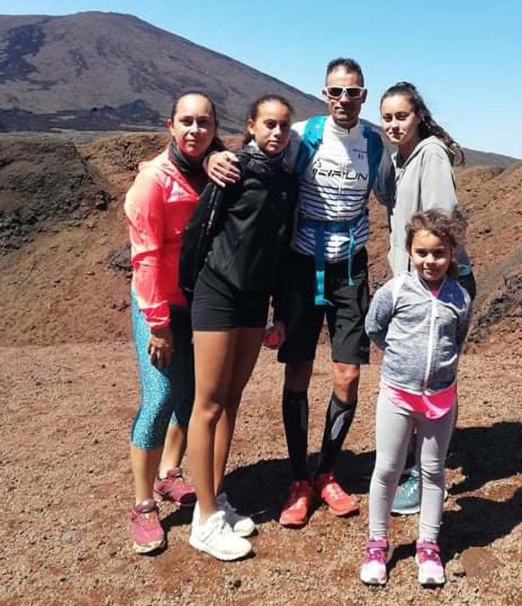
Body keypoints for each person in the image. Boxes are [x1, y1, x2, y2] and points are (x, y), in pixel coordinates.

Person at [206, 58, 389, 528]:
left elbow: (398, 191)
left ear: (363, 96)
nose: (344, 100)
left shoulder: (374, 143)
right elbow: (259, 158)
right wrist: (214, 156)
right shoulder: (304, 135)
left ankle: (326, 472)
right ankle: (298, 479)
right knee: (298, 376)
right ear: (325, 95)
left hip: (350, 269)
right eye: (335, 91)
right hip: (302, 268)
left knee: (347, 376)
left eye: (352, 92)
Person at [181, 96, 299, 560]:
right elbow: (198, 232)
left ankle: (216, 498)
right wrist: (195, 292)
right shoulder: (232, 169)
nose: (276, 133)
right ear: (251, 125)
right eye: (268, 124)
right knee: (207, 404)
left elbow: (282, 249)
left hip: (255, 299)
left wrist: (280, 309)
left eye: (283, 127)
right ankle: (203, 518)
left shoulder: (287, 180)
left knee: (231, 400)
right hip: (218, 291)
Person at [124, 91, 223, 554]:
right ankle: (143, 504)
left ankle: (169, 474)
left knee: (190, 396)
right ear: (170, 125)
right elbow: (143, 257)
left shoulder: (215, 169)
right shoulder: (152, 181)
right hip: (158, 303)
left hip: (197, 302)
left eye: (204, 122)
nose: (194, 131)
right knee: (160, 395)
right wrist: (158, 324)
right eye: (186, 122)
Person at [360, 210, 472, 587]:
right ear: (409, 250)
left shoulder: (460, 297)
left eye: (439, 253)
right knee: (387, 469)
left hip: (440, 397)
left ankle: (428, 544)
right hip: (397, 394)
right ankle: (377, 542)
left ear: (451, 253)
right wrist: (399, 361)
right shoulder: (394, 291)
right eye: (421, 252)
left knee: (432, 471)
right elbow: (375, 328)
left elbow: (458, 336)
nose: (430, 261)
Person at [379, 81, 476, 516]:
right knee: (416, 376)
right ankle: (416, 467)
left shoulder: (430, 154)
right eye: (387, 117)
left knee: (429, 379)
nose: (394, 124)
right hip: (417, 286)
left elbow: (440, 225)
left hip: (433, 286)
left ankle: (422, 476)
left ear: (418, 115)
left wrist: (428, 288)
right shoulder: (402, 159)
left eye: (402, 116)